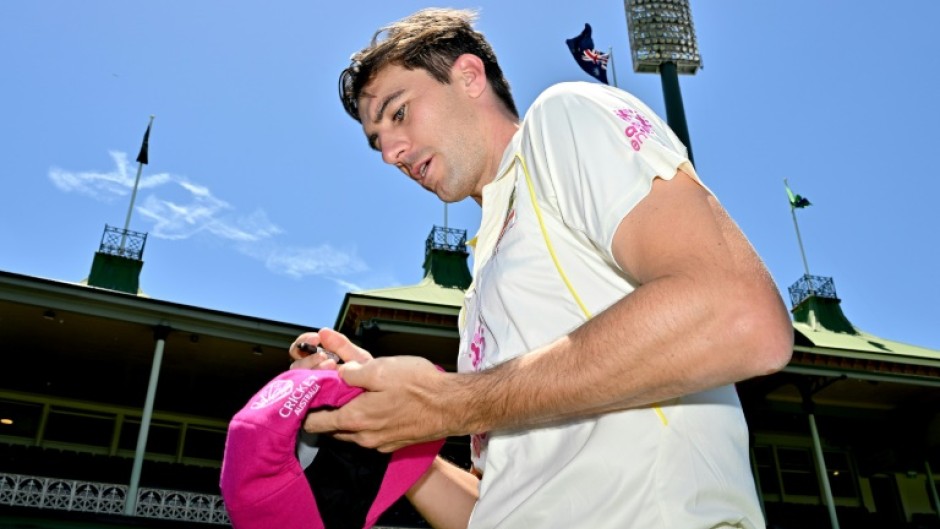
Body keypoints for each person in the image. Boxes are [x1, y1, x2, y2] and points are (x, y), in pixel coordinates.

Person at [289, 8, 793, 529]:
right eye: (377, 143)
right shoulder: (481, 284)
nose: (390, 153)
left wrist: (449, 403)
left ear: (468, 76)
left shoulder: (561, 118)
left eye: (398, 114)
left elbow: (740, 315)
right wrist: (392, 425)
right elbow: (503, 505)